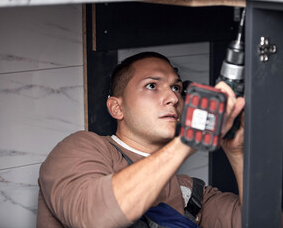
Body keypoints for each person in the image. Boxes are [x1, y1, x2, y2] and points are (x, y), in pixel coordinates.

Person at [37, 51, 246, 228]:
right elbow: (93, 216)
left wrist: (237, 152)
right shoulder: (82, 148)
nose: (173, 98)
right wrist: (189, 139)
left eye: (176, 88)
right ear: (117, 108)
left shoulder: (188, 192)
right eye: (152, 86)